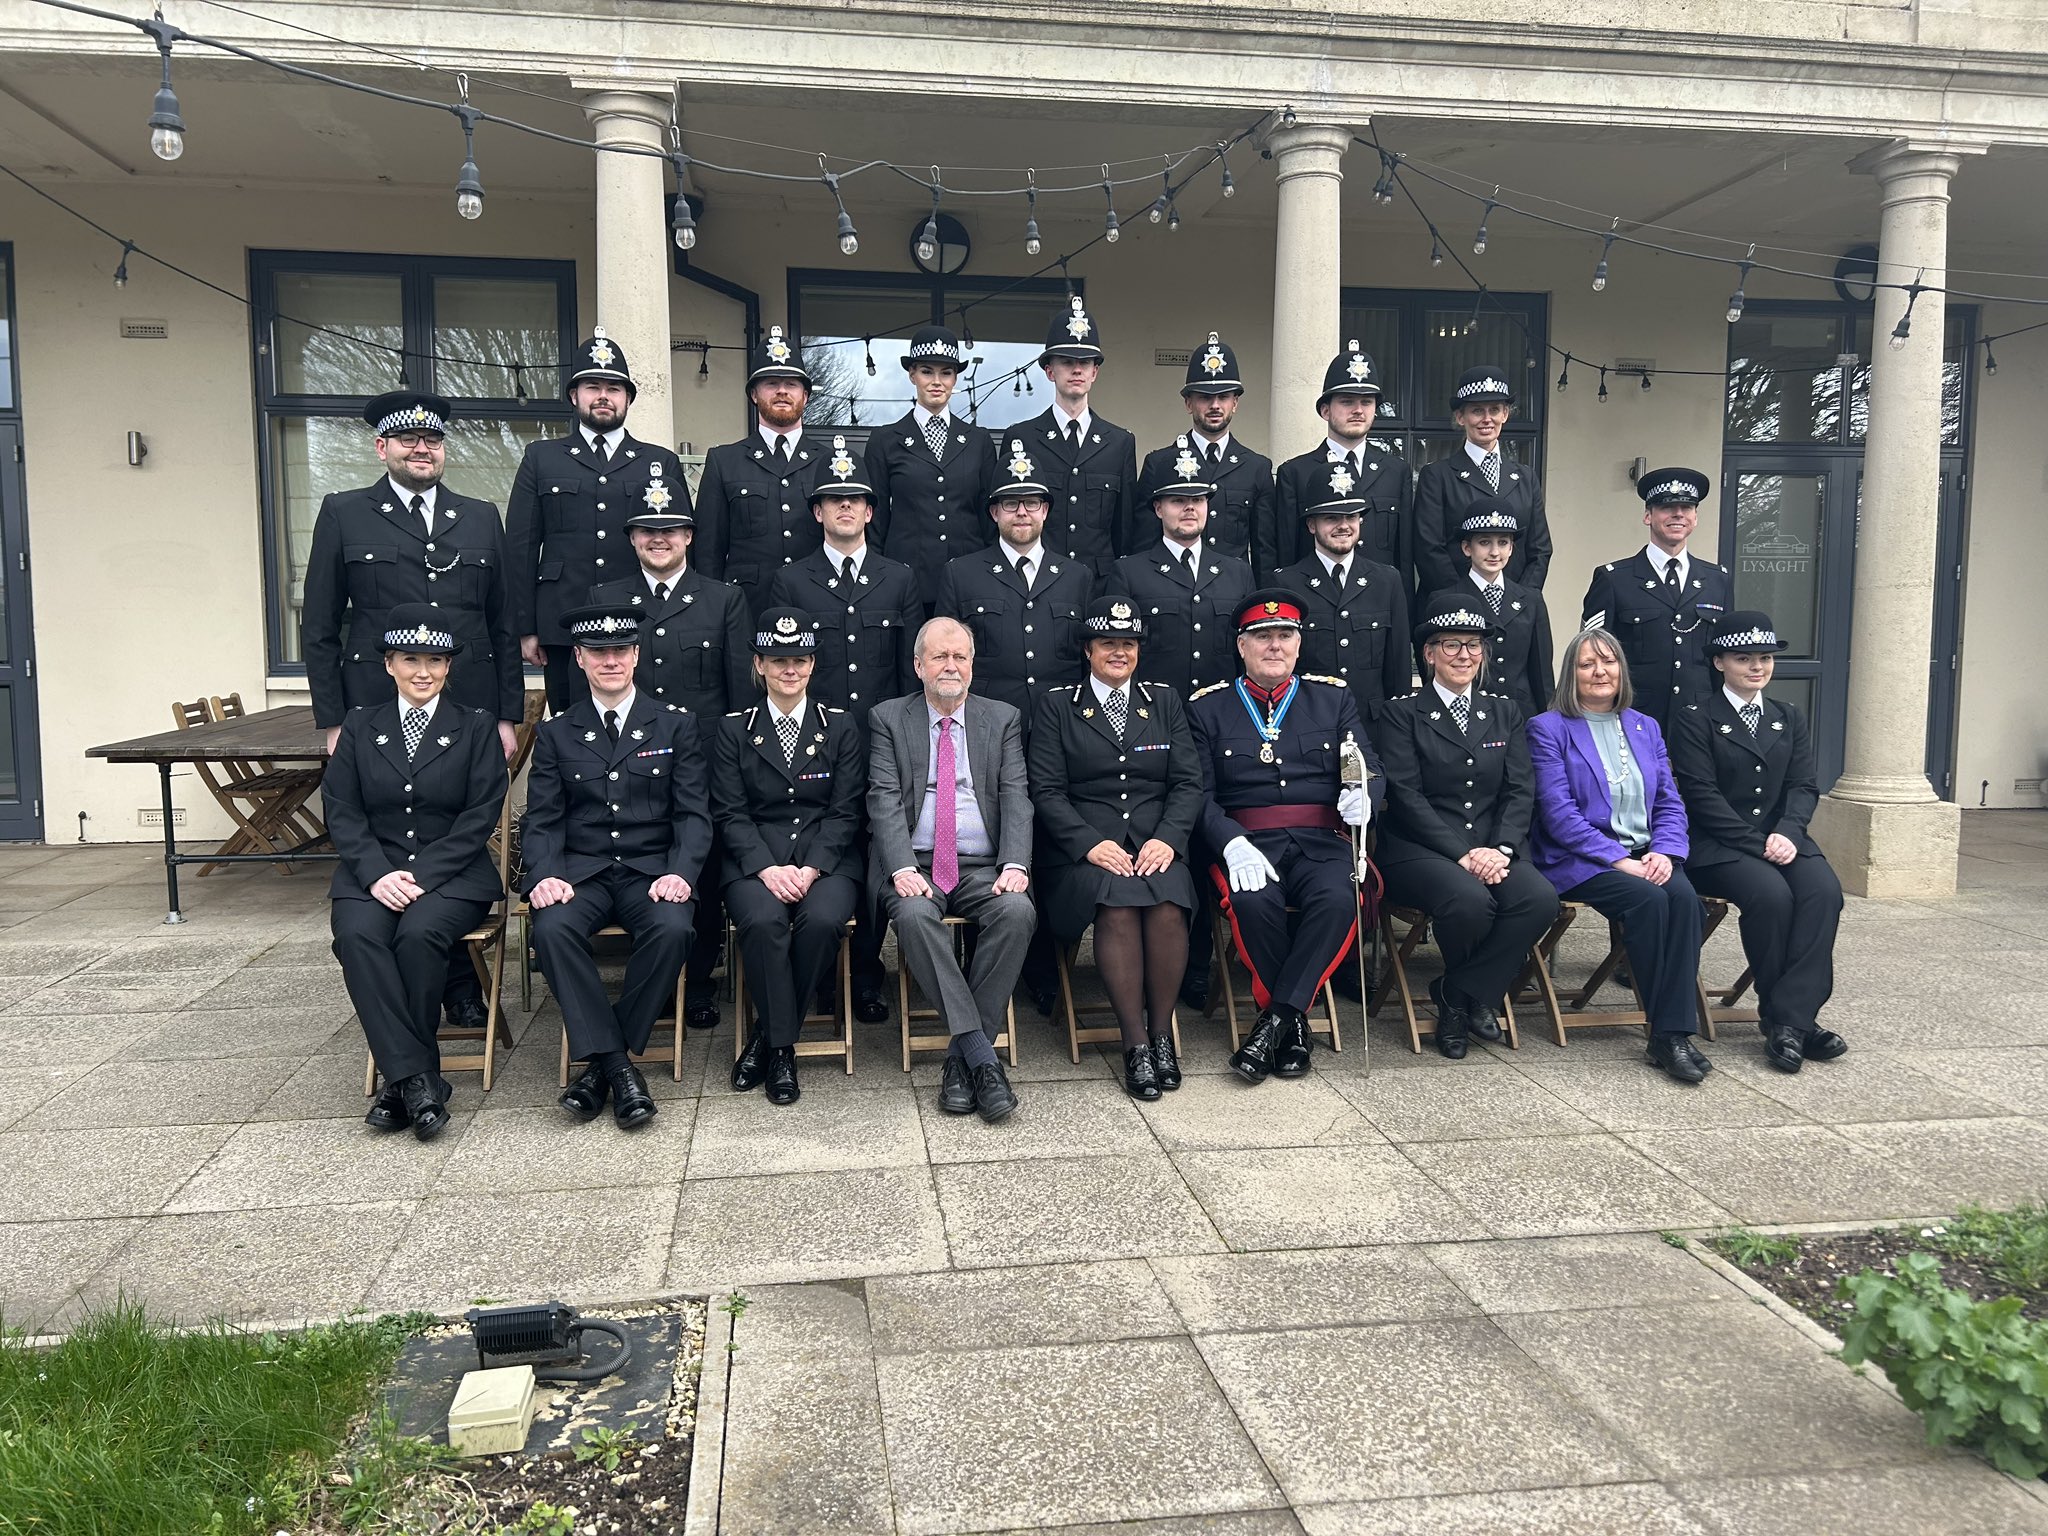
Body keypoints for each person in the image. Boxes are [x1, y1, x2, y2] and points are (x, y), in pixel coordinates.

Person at [299, 388, 521, 1040]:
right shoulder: (344, 513)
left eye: (432, 441)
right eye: (408, 440)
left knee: (456, 830)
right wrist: (334, 719)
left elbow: (502, 624)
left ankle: (458, 983)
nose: (422, 449)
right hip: (376, 704)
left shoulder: (479, 516)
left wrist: (506, 713)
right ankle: (430, 983)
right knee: (396, 821)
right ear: (382, 447)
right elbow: (320, 626)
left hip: (468, 703)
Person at [522, 603, 713, 1128]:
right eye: (598, 652)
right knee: (551, 929)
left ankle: (600, 1067)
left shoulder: (675, 725)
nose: (610, 661)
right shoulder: (558, 733)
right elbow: (542, 819)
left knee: (673, 929)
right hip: (580, 874)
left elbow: (694, 814)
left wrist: (682, 872)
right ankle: (618, 1067)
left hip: (651, 871)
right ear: (579, 658)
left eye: (620, 650)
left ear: (635, 655)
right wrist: (544, 875)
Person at [326, 605, 508, 1139]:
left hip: (453, 875)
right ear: (389, 664)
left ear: (449, 666)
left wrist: (421, 875)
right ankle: (418, 1080)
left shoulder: (476, 727)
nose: (423, 672)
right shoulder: (360, 725)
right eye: (410, 659)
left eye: (435, 660)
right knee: (357, 937)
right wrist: (377, 874)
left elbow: (479, 815)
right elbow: (342, 809)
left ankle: (399, 1081)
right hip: (372, 871)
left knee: (419, 934)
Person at [1188, 591, 1382, 1084]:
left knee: (1339, 899)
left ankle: (1277, 1020)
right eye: (1262, 637)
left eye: (1285, 635)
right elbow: (1197, 794)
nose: (1275, 645)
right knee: (1252, 902)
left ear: (1299, 644)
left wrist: (1363, 795)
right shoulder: (1208, 708)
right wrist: (1230, 843)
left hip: (1322, 839)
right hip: (1247, 841)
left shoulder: (1332, 698)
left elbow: (1367, 766)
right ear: (1242, 646)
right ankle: (1292, 1028)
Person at [768, 441, 924, 1022]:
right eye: (833, 499)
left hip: (883, 744)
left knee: (877, 854)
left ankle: (865, 975)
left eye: (855, 499)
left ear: (870, 510)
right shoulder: (792, 581)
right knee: (824, 853)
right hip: (818, 745)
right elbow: (784, 669)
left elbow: (910, 669)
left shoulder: (899, 578)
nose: (844, 507)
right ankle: (820, 975)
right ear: (817, 511)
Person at [588, 493, 751, 1031]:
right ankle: (652, 984)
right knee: (638, 867)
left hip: (700, 762)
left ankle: (699, 980)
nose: (660, 539)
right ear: (632, 538)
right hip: (622, 763)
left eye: (672, 530)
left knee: (700, 867)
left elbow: (737, 699)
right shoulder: (607, 598)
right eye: (647, 530)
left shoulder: (723, 599)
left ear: (689, 538)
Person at [1030, 598, 1203, 1100]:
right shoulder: (1057, 704)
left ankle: (1162, 1034)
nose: (1119, 652)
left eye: (1128, 643)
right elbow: (1046, 791)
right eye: (1108, 643)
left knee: (1169, 905)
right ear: (1088, 650)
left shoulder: (1163, 701)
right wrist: (1089, 843)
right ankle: (1134, 1043)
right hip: (1083, 853)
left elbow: (1187, 783)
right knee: (1118, 907)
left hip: (1156, 844)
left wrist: (1167, 838)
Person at [1375, 598, 1558, 1059]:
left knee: (1539, 900)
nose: (1464, 655)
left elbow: (1520, 789)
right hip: (1421, 849)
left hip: (1493, 846)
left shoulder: (1505, 711)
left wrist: (1502, 848)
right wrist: (1462, 854)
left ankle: (1457, 994)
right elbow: (1407, 796)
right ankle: (1470, 1003)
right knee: (1469, 900)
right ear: (1429, 654)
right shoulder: (1401, 713)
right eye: (1451, 644)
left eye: (1473, 645)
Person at [868, 617, 1033, 1122]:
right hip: (916, 863)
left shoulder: (1001, 718)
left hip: (983, 864)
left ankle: (962, 1060)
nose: (950, 666)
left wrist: (1015, 863)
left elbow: (1016, 795)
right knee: (914, 918)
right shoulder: (888, 718)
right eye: (940, 656)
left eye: (960, 656)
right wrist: (900, 867)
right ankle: (983, 1058)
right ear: (918, 665)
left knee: (1017, 912)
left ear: (972, 665)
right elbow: (884, 799)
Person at [1527, 627, 1709, 1083]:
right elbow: (1558, 813)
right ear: (1570, 674)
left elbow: (1668, 801)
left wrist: (1665, 852)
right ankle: (1669, 1034)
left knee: (1687, 902)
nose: (1599, 671)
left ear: (1621, 670)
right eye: (1586, 663)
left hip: (1647, 853)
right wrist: (1617, 859)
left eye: (1608, 661)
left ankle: (1671, 1033)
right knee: (1648, 901)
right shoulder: (1548, 729)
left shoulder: (1646, 727)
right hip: (1579, 858)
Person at [1670, 612, 1847, 1074]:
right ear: (1719, 663)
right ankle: (1789, 1021)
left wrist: (1788, 833)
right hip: (1718, 845)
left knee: (1823, 892)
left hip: (1782, 838)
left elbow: (1803, 785)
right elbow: (1701, 796)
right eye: (1743, 658)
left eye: (1765, 658)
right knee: (1771, 895)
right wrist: (1760, 843)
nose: (1757, 666)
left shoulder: (1788, 716)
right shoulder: (1695, 717)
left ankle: (1792, 1019)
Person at [711, 609, 866, 1105]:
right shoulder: (733, 730)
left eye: (799, 659)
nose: (790, 669)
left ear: (813, 664)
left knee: (822, 922)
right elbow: (729, 812)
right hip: (754, 861)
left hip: (827, 860)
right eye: (778, 660)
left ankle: (768, 1038)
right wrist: (766, 867)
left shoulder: (839, 726)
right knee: (762, 923)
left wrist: (812, 866)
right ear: (759, 665)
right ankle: (783, 1052)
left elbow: (845, 810)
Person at [505, 329, 691, 708]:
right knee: (571, 725)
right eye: (592, 387)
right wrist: (525, 627)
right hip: (563, 621)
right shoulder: (541, 457)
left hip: (643, 621)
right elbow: (520, 548)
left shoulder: (660, 462)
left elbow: (682, 547)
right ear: (574, 395)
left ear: (628, 399)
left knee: (646, 723)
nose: (603, 396)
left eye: (614, 388)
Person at [933, 440, 1093, 719]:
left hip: (1062, 721)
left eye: (1031, 503)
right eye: (1010, 503)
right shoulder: (960, 575)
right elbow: (944, 659)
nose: (1022, 512)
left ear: (1045, 510)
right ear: (994, 512)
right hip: (985, 722)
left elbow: (1089, 661)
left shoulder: (1077, 577)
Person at [1581, 467, 1732, 735]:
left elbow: (1726, 656)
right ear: (1648, 516)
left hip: (1700, 722)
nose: (1678, 514)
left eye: (1686, 507)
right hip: (1632, 719)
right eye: (1667, 507)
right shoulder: (1613, 579)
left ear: (1695, 518)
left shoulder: (1717, 580)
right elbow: (1591, 654)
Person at [1107, 444, 1257, 703]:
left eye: (1198, 500)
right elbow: (1117, 654)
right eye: (1178, 500)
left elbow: (1249, 653)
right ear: (1158, 508)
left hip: (1222, 711)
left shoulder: (1238, 573)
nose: (1190, 508)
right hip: (1154, 711)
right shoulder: (1129, 573)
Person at [693, 326, 828, 610]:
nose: (782, 391)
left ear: (805, 395)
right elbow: (708, 551)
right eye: (771, 383)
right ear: (754, 394)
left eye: (791, 384)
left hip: (816, 605)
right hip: (746, 608)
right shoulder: (724, 461)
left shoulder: (827, 462)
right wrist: (711, 612)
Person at [866, 325, 998, 605]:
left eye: (946, 373)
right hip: (905, 584)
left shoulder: (979, 441)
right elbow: (875, 523)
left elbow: (989, 520)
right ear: (912, 374)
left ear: (955, 378)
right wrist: (878, 580)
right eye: (927, 371)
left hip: (969, 583)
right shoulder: (884, 440)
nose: (937, 381)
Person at [1270, 461, 1411, 719]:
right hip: (1308, 722)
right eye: (1332, 517)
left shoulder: (1387, 581)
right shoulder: (1286, 584)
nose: (1343, 526)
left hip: (1371, 726)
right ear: (1311, 525)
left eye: (1351, 517)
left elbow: (1398, 669)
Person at [1013, 296, 1135, 577]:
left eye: (1085, 362)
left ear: (1095, 372)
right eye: (1067, 362)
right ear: (1049, 371)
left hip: (1100, 584)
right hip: (1038, 580)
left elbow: (1125, 530)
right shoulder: (1023, 439)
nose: (1077, 369)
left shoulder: (1119, 443)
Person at [1267, 341, 1409, 579]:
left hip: (1380, 598)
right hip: (1314, 596)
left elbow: (1404, 557)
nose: (1358, 410)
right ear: (1325, 410)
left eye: (1366, 402)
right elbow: (1287, 554)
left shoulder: (1396, 472)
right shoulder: (1295, 474)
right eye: (1347, 401)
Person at [1413, 366, 1552, 597]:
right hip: (1454, 609)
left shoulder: (1526, 477)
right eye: (1477, 410)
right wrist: (1468, 602)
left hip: (1514, 609)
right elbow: (1429, 550)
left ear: (1505, 414)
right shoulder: (1437, 476)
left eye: (1494, 410)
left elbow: (1540, 550)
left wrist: (1520, 601)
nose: (1487, 419)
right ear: (1460, 417)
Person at [1138, 332, 1272, 563]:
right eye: (1205, 397)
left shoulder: (1256, 468)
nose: (1215, 405)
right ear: (1188, 403)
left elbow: (1265, 552)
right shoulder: (1159, 464)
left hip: (1234, 584)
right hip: (1172, 581)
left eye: (1223, 397)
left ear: (1235, 403)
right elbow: (1142, 543)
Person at [1423, 506, 1552, 716]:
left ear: (1511, 548)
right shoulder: (1444, 600)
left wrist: (1547, 720)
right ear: (1467, 548)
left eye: (1503, 542)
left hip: (1522, 715)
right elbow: (1434, 669)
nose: (1494, 552)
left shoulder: (1531, 599)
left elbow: (1542, 673)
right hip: (1466, 714)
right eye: (1484, 542)